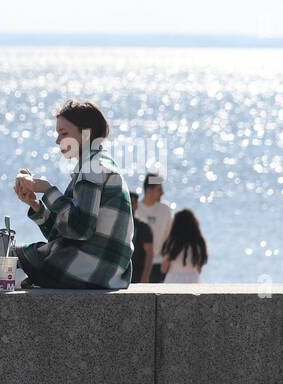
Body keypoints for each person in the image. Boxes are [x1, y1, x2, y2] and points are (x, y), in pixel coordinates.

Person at [13, 99, 134, 289]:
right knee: (9, 262)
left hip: (88, 270)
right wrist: (37, 206)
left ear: (86, 134)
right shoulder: (96, 163)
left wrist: (48, 190)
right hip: (107, 273)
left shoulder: (92, 168)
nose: (57, 140)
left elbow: (80, 229)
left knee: (4, 258)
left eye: (63, 133)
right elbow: (68, 232)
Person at [134, 172, 173, 282]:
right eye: (159, 189)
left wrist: (168, 258)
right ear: (149, 190)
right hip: (139, 266)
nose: (163, 193)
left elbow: (171, 237)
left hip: (159, 265)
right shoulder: (137, 209)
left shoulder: (165, 210)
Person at [160, 209, 208, 282]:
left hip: (174, 280)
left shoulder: (173, 243)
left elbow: (164, 269)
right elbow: (199, 269)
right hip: (193, 279)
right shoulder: (198, 244)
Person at [129, 189, 155, 283]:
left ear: (136, 205)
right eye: (129, 202)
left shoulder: (143, 227)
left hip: (137, 274)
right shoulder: (119, 224)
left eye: (133, 203)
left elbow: (149, 254)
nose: (131, 206)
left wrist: (145, 277)